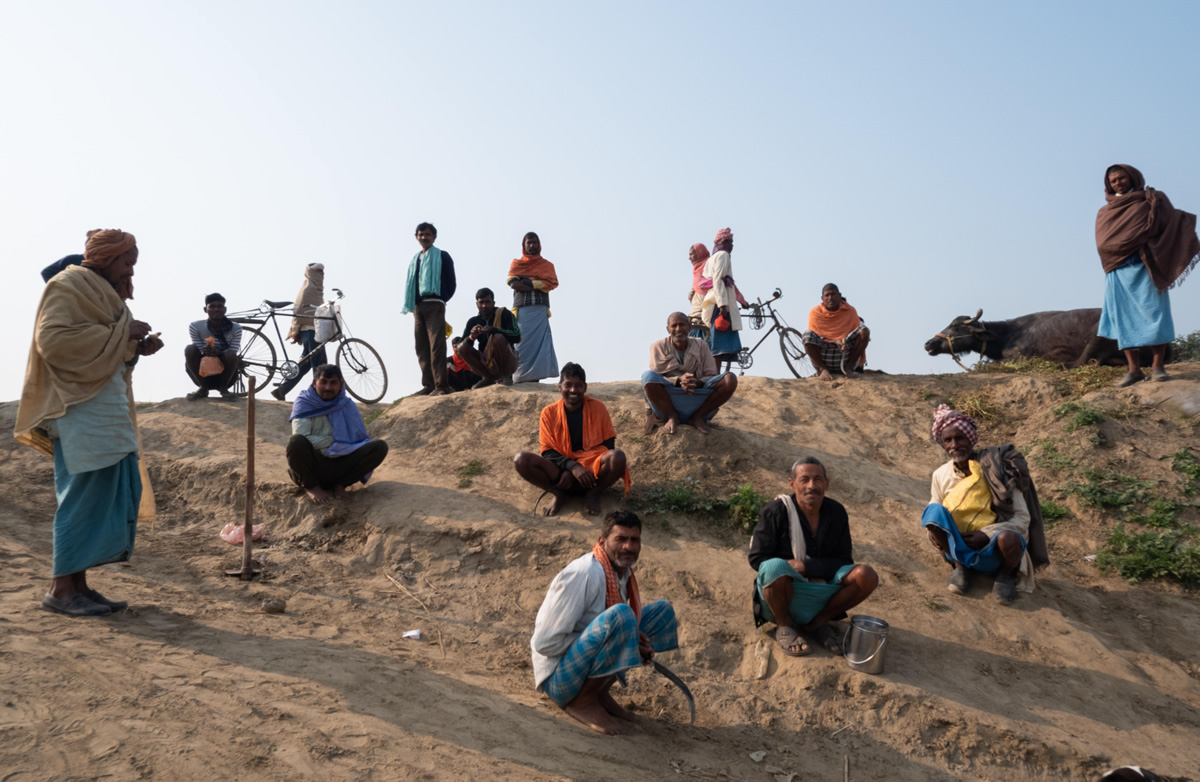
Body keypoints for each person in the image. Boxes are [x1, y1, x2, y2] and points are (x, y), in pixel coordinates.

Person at [15, 229, 163, 616]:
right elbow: (55, 341)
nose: (129, 270)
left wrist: (135, 348)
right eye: (126, 262)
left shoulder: (105, 292)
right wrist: (121, 333)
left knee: (100, 496)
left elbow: (111, 353)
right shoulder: (68, 284)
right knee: (80, 497)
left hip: (107, 408)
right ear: (108, 257)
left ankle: (78, 584)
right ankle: (61, 590)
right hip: (79, 407)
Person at [530, 510, 679, 736]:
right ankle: (583, 701)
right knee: (622, 616)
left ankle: (599, 694)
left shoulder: (621, 573)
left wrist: (627, 640)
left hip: (582, 666)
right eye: (621, 539)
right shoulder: (585, 573)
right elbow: (544, 643)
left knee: (662, 612)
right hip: (559, 680)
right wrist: (611, 639)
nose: (628, 546)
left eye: (634, 540)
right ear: (602, 541)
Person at [748, 457, 878, 656]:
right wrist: (790, 569)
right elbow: (757, 559)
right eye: (804, 479)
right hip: (782, 595)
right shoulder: (775, 511)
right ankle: (784, 625)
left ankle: (817, 624)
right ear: (792, 484)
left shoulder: (836, 512)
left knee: (866, 575)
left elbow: (844, 561)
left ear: (826, 484)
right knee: (773, 567)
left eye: (818, 479)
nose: (812, 486)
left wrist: (807, 567)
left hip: (821, 593)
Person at [920, 405, 1049, 605]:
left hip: (994, 550)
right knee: (933, 512)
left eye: (960, 438)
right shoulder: (940, 475)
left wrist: (985, 535)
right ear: (942, 444)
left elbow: (1022, 519)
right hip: (957, 545)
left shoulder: (998, 468)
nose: (955, 445)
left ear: (971, 439)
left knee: (1010, 538)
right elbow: (934, 506)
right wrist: (933, 531)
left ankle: (1004, 577)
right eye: (948, 440)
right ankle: (959, 567)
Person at [1096, 164, 1199, 387]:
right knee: (1124, 321)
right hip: (1118, 270)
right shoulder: (1106, 212)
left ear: (1132, 177)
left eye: (1121, 178)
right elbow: (1104, 242)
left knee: (1155, 315)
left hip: (1147, 267)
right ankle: (1133, 370)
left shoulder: (1151, 201)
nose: (1118, 183)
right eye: (1113, 181)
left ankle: (1158, 367)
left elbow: (1171, 225)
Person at [513, 362, 630, 516]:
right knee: (521, 459)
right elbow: (548, 452)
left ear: (585, 388)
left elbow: (608, 446)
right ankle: (559, 494)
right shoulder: (549, 413)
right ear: (559, 386)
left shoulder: (598, 408)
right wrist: (571, 467)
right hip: (560, 473)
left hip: (591, 472)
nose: (573, 390)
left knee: (618, 457)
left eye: (578, 385)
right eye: (568, 385)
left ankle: (593, 493)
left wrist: (579, 467)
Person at [286, 364, 389, 505]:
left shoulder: (347, 405)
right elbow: (303, 437)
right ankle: (311, 486)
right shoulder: (304, 403)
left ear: (341, 385)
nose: (328, 388)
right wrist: (337, 441)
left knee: (379, 447)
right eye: (323, 382)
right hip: (313, 465)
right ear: (314, 383)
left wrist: (344, 445)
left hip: (340, 464)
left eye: (333, 383)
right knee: (296, 442)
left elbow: (359, 439)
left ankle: (341, 484)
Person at [642, 312, 738, 435]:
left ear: (689, 327)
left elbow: (711, 375)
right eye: (674, 326)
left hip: (696, 396)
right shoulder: (658, 346)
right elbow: (656, 375)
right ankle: (672, 417)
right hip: (667, 400)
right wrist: (679, 380)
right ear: (668, 329)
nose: (678, 329)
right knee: (647, 376)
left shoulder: (701, 345)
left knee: (729, 379)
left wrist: (696, 382)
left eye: (682, 325)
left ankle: (698, 417)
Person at [403, 223, 457, 396]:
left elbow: (451, 283)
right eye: (420, 234)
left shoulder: (442, 256)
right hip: (418, 307)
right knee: (421, 347)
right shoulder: (415, 259)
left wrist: (441, 299)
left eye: (427, 234)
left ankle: (441, 386)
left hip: (435, 304)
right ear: (416, 237)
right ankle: (429, 385)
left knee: (437, 346)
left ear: (434, 237)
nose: (424, 237)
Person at [507, 232, 559, 384]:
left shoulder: (547, 266)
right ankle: (519, 377)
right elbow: (513, 283)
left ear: (539, 244)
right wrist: (537, 283)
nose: (532, 245)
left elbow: (550, 284)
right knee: (521, 343)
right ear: (523, 245)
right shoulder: (517, 264)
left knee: (539, 345)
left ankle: (534, 379)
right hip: (522, 310)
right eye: (529, 242)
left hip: (540, 310)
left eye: (534, 242)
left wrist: (527, 282)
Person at [272, 262, 328, 401]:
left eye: (322, 272)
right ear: (313, 274)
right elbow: (299, 311)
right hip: (310, 330)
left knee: (305, 363)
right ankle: (319, 395)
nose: (322, 274)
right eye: (319, 272)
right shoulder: (309, 289)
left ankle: (282, 390)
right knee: (320, 364)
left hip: (310, 330)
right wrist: (296, 330)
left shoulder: (314, 288)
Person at [802, 283, 870, 381]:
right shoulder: (815, 312)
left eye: (833, 294)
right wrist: (834, 341)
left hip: (845, 353)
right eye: (827, 295)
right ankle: (823, 370)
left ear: (839, 295)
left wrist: (843, 341)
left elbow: (855, 333)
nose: (830, 298)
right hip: (825, 353)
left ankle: (849, 368)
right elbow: (816, 335)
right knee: (807, 335)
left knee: (864, 331)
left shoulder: (850, 310)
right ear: (822, 298)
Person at [699, 228, 749, 361]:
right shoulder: (723, 255)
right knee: (719, 348)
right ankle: (716, 376)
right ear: (724, 242)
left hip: (715, 301)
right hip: (719, 304)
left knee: (719, 345)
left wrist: (743, 301)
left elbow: (729, 284)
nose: (732, 245)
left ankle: (717, 374)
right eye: (730, 242)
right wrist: (723, 305)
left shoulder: (712, 258)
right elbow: (718, 280)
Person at [456, 287, 520, 389]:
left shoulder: (504, 314)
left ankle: (505, 377)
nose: (484, 306)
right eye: (481, 302)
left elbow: (517, 336)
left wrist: (495, 330)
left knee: (498, 338)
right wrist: (472, 337)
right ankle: (487, 378)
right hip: (486, 362)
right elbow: (459, 349)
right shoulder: (473, 321)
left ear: (493, 303)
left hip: (508, 361)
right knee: (462, 347)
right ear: (477, 304)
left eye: (487, 302)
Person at [185, 293, 242, 401]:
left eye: (219, 306)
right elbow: (198, 348)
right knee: (190, 349)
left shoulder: (236, 328)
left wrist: (219, 352)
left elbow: (233, 350)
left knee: (230, 354)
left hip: (225, 374)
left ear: (225, 309)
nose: (216, 309)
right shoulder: (195, 326)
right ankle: (203, 388)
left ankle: (223, 388)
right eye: (212, 306)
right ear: (205, 309)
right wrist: (206, 351)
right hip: (203, 372)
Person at [686, 242, 710, 335]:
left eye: (692, 254)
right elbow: (697, 283)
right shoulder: (697, 269)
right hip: (695, 316)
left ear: (699, 253)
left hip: (705, 314)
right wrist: (692, 292)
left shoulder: (709, 266)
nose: (690, 257)